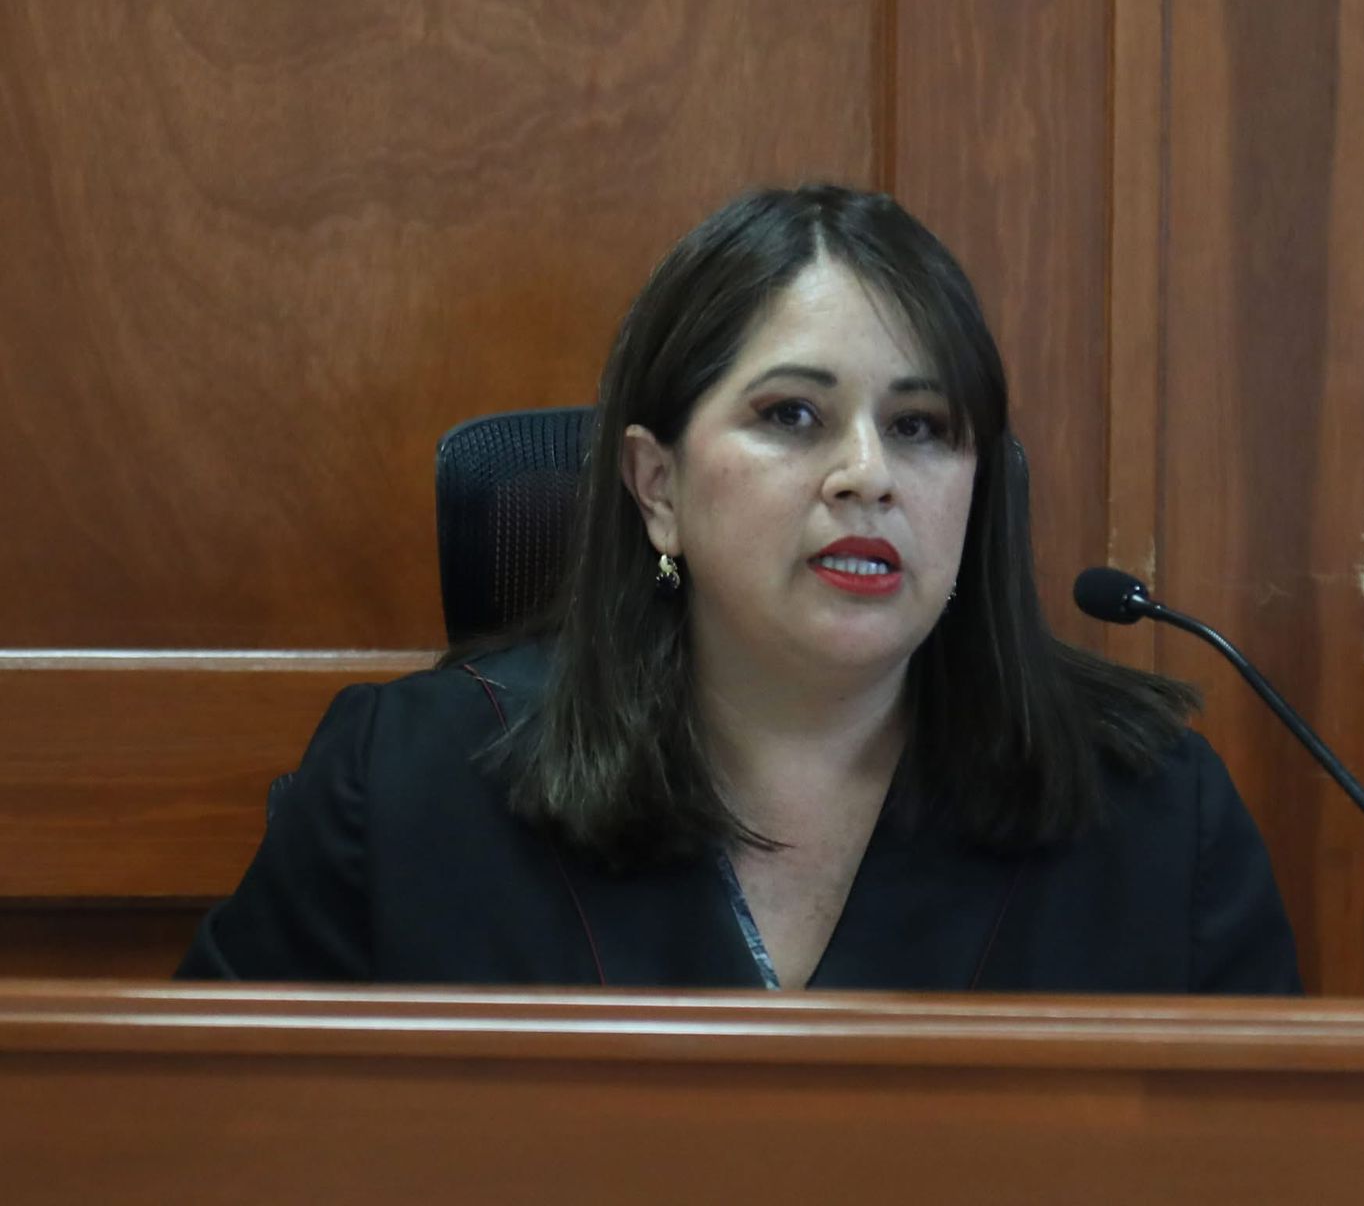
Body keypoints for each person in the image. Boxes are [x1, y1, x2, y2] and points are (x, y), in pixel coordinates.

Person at [177, 184, 1301, 992]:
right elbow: (206, 1144)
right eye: (792, 416)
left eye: (921, 427)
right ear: (656, 486)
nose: (867, 475)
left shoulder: (1154, 817)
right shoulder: (407, 786)